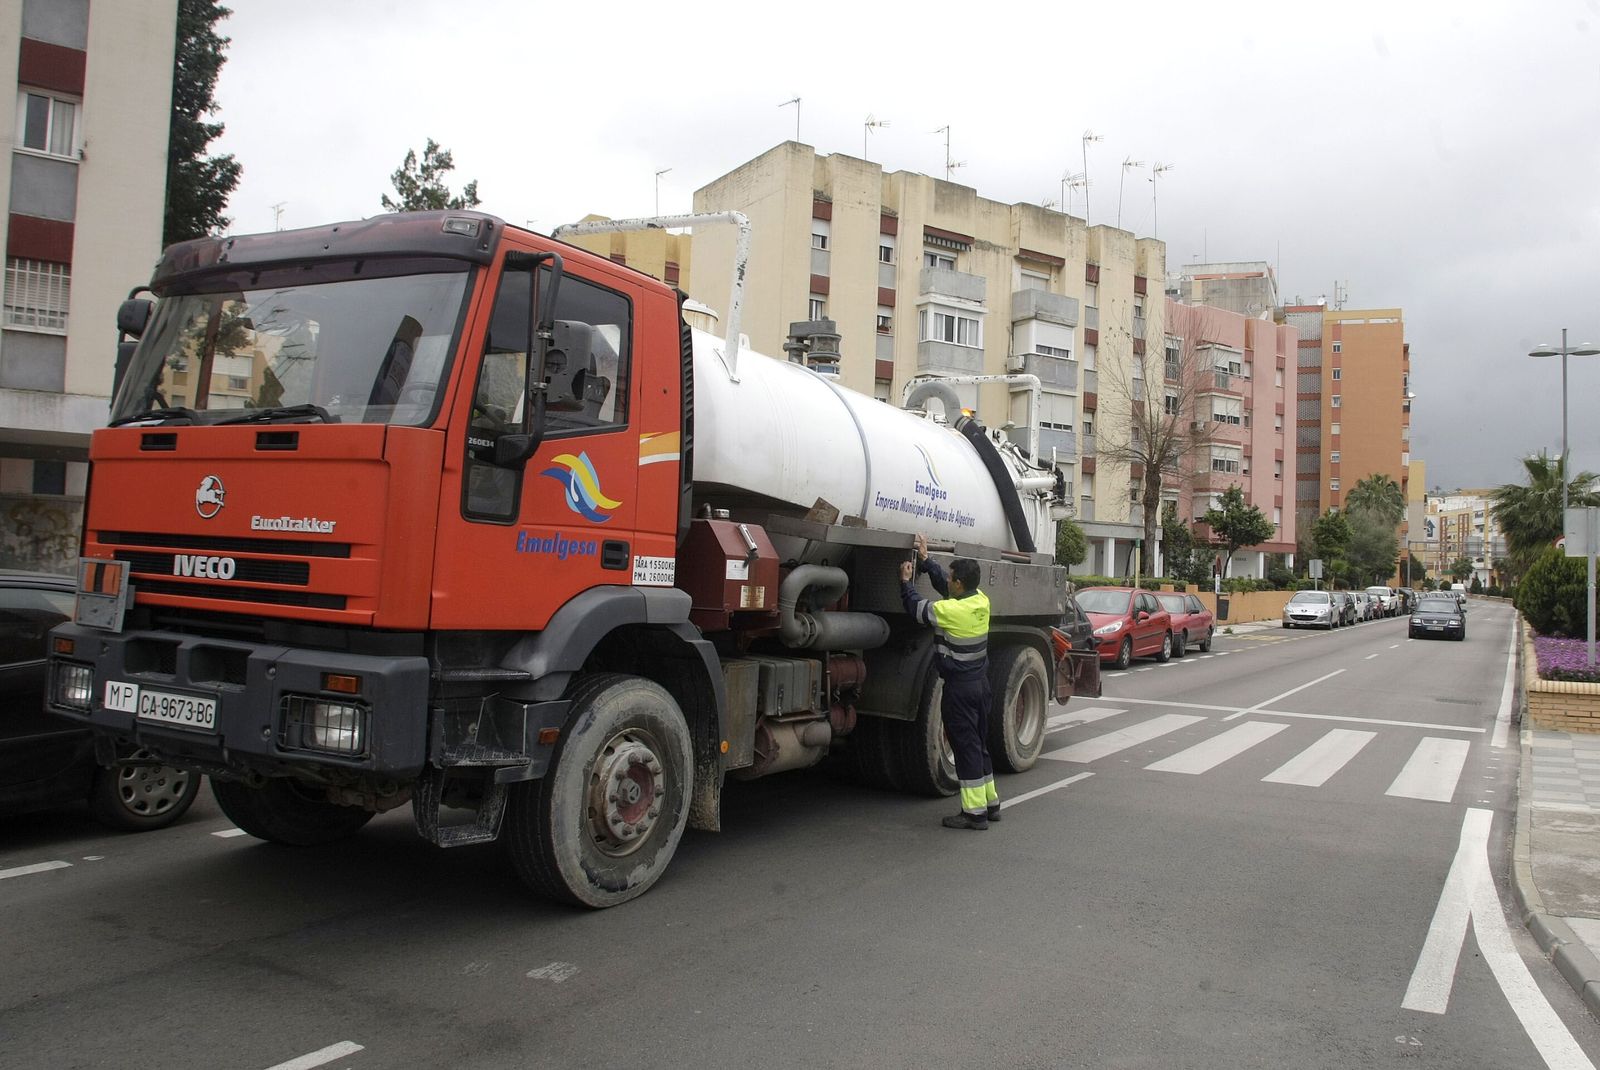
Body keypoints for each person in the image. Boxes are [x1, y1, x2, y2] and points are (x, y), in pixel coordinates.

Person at [900, 532, 998, 830]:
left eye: (952, 578)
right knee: (978, 744)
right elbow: (945, 586)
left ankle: (974, 814)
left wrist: (905, 581)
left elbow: (916, 608)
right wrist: (927, 561)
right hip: (980, 685)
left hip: (961, 689)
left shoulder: (950, 611)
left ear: (959, 584)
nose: (948, 581)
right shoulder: (980, 600)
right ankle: (990, 804)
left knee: (965, 747)